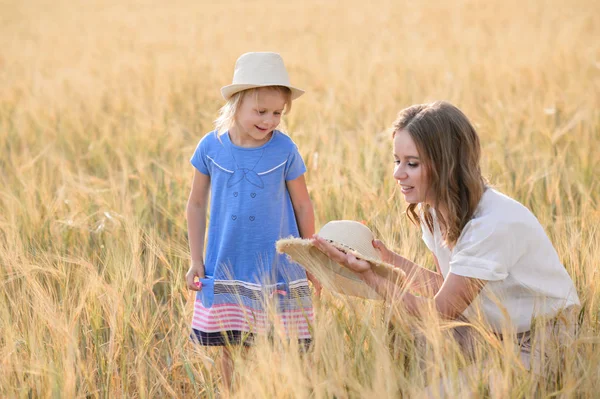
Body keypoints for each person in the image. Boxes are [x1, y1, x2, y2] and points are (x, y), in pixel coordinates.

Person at [312, 101, 580, 377]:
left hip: (542, 340)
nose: (397, 173)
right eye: (397, 160)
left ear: (446, 166)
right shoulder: (434, 212)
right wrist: (387, 259)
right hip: (490, 329)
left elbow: (440, 312)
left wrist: (372, 278)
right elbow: (446, 287)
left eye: (412, 164)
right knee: (402, 340)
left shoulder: (491, 224)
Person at [185, 52, 320, 394]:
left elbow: (303, 204)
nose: (270, 120)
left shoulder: (285, 149)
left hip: (279, 265)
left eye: (278, 113)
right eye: (261, 112)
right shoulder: (211, 147)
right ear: (235, 105)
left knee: (287, 344)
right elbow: (197, 203)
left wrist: (311, 258)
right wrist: (195, 260)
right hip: (229, 261)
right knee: (233, 346)